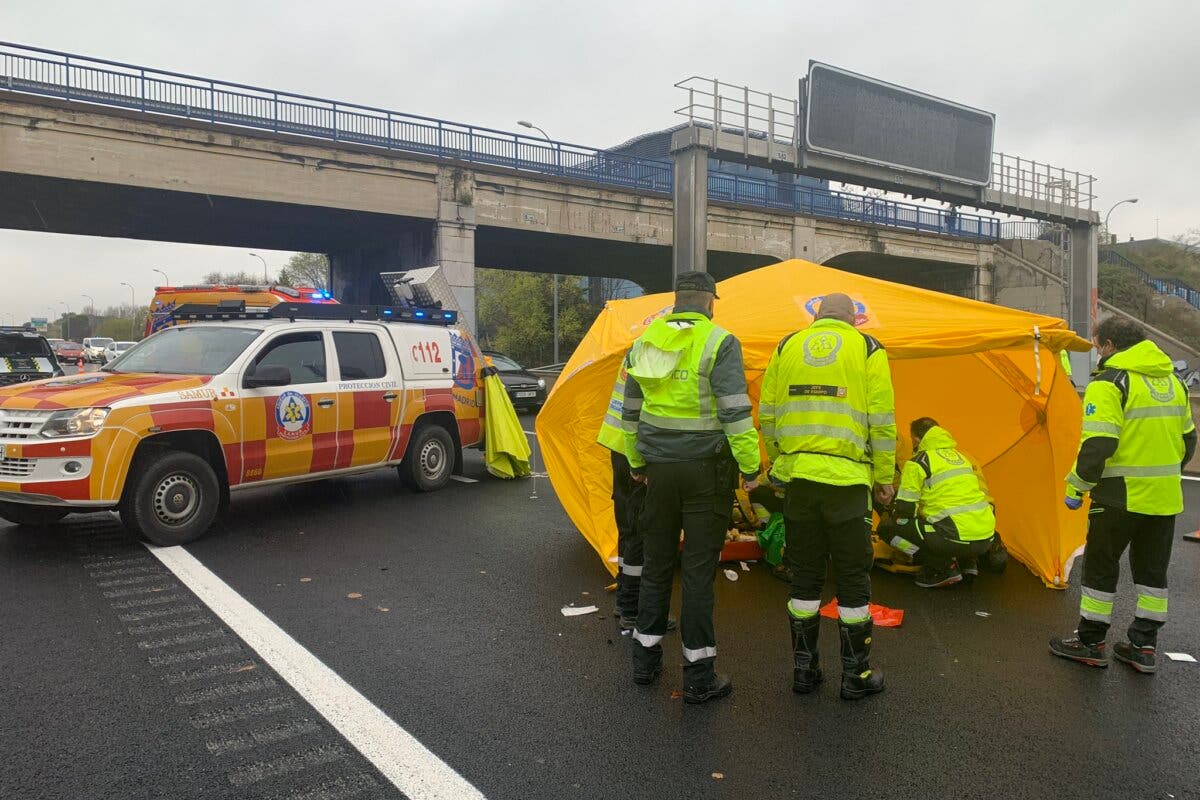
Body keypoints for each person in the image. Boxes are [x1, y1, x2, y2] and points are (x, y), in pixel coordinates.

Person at [621, 271, 761, 704]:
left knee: (658, 566)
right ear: (710, 302)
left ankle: (644, 664)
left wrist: (637, 460)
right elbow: (736, 411)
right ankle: (699, 677)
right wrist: (752, 466)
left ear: (676, 300)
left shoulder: (645, 341)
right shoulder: (720, 342)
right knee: (698, 573)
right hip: (705, 472)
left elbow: (630, 412)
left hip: (658, 471)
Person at [759, 293, 896, 700]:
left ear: (817, 318)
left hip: (799, 482)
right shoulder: (869, 348)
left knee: (804, 578)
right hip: (849, 486)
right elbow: (882, 419)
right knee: (853, 580)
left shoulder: (786, 346)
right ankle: (855, 677)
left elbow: (767, 412)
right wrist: (884, 477)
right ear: (854, 319)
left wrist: (781, 461)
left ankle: (805, 671)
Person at [1051, 318, 1196, 673]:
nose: (1098, 352)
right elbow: (1188, 441)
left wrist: (1077, 487)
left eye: (1099, 345)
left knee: (1101, 567)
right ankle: (1143, 646)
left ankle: (1090, 641)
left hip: (1118, 498)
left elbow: (1099, 444)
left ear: (1111, 345)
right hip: (1163, 499)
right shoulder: (1173, 382)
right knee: (1151, 574)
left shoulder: (1110, 382)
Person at [595, 357, 676, 633]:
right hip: (635, 448)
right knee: (641, 529)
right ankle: (633, 610)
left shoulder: (639, 346)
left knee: (628, 526)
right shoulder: (656, 351)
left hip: (618, 441)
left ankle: (625, 602)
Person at [879, 417, 997, 588]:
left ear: (917, 440)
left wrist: (889, 505)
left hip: (954, 537)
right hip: (985, 538)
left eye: (912, 440)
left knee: (889, 527)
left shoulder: (918, 463)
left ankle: (941, 565)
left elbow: (905, 510)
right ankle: (968, 564)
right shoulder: (961, 457)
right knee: (950, 523)